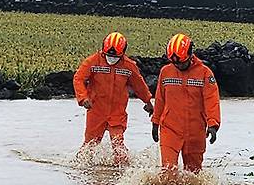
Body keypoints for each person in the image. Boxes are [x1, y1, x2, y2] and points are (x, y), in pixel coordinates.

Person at [73, 32, 154, 162]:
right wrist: (83, 98)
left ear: (123, 53)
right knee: (89, 147)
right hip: (96, 111)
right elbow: (78, 78)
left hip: (117, 112)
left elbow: (139, 85)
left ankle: (120, 173)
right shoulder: (93, 62)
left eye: (115, 56)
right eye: (109, 55)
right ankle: (83, 171)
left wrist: (148, 102)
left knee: (118, 147)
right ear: (103, 50)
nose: (111, 58)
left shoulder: (129, 66)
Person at [151, 33, 220, 173]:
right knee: (168, 171)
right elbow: (160, 99)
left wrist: (213, 125)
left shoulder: (205, 74)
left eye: (181, 62)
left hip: (195, 130)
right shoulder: (165, 72)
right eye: (175, 63)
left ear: (190, 54)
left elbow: (211, 100)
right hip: (170, 128)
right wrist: (155, 122)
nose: (178, 65)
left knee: (193, 175)